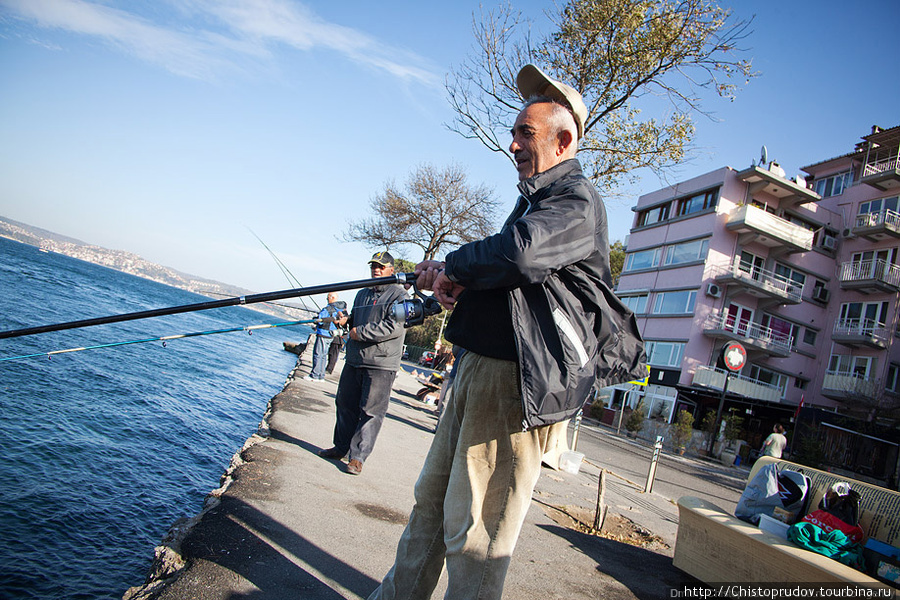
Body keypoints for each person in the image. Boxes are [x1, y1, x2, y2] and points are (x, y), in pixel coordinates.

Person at [367, 64, 646, 600]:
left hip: (513, 385)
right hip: (478, 369)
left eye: (526, 133)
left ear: (564, 140)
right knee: (431, 504)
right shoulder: (537, 200)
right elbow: (521, 281)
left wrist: (453, 264)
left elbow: (520, 253)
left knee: (477, 531)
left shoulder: (575, 200)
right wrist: (462, 284)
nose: (512, 142)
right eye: (514, 131)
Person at [318, 251, 407, 475]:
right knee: (345, 404)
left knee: (371, 412)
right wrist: (347, 321)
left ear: (391, 270)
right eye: (373, 266)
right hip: (355, 360)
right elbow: (355, 320)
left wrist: (360, 332)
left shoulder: (400, 296)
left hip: (381, 364)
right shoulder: (362, 294)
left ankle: (357, 457)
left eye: (381, 266)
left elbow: (393, 327)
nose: (376, 270)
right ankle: (340, 447)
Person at [305, 292, 346, 382]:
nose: (327, 299)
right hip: (331, 335)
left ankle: (315, 375)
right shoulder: (338, 310)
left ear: (332, 298)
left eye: (328, 297)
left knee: (318, 354)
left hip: (323, 333)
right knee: (323, 355)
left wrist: (315, 319)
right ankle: (321, 375)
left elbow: (320, 321)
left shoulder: (327, 309)